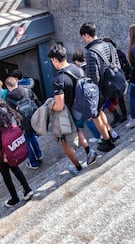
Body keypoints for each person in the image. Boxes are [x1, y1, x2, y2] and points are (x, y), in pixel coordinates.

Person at [48, 44, 98, 175]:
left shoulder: (58, 80)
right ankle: (89, 152)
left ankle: (78, 167)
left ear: (54, 59)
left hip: (70, 114)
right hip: (82, 109)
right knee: (79, 129)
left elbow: (59, 105)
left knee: (65, 143)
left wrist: (49, 105)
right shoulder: (77, 68)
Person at [0, 93, 34, 207]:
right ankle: (27, 189)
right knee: (15, 168)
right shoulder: (7, 111)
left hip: (1, 153)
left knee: (6, 176)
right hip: (12, 148)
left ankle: (14, 198)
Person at [79, 22, 120, 152]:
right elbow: (117, 63)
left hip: (101, 89)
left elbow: (94, 77)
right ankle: (110, 134)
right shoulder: (107, 45)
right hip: (112, 85)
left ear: (86, 35)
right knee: (100, 111)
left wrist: (92, 95)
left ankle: (107, 141)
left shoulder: (91, 53)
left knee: (96, 115)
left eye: (83, 36)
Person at [4, 76, 43, 170]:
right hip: (33, 118)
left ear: (8, 87)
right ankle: (39, 154)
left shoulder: (8, 99)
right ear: (17, 82)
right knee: (33, 136)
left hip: (22, 123)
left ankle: (34, 163)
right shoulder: (27, 90)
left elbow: (10, 113)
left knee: (26, 143)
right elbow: (37, 101)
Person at [72, 50, 101, 143]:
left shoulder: (79, 71)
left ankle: (98, 136)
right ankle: (105, 134)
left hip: (87, 97)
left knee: (89, 118)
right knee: (97, 115)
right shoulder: (90, 66)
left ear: (77, 61)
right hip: (95, 93)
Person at [103, 38, 129, 127]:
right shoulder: (105, 57)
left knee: (120, 99)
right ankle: (116, 115)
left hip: (118, 80)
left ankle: (124, 115)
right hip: (110, 82)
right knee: (109, 100)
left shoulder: (119, 54)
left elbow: (124, 66)